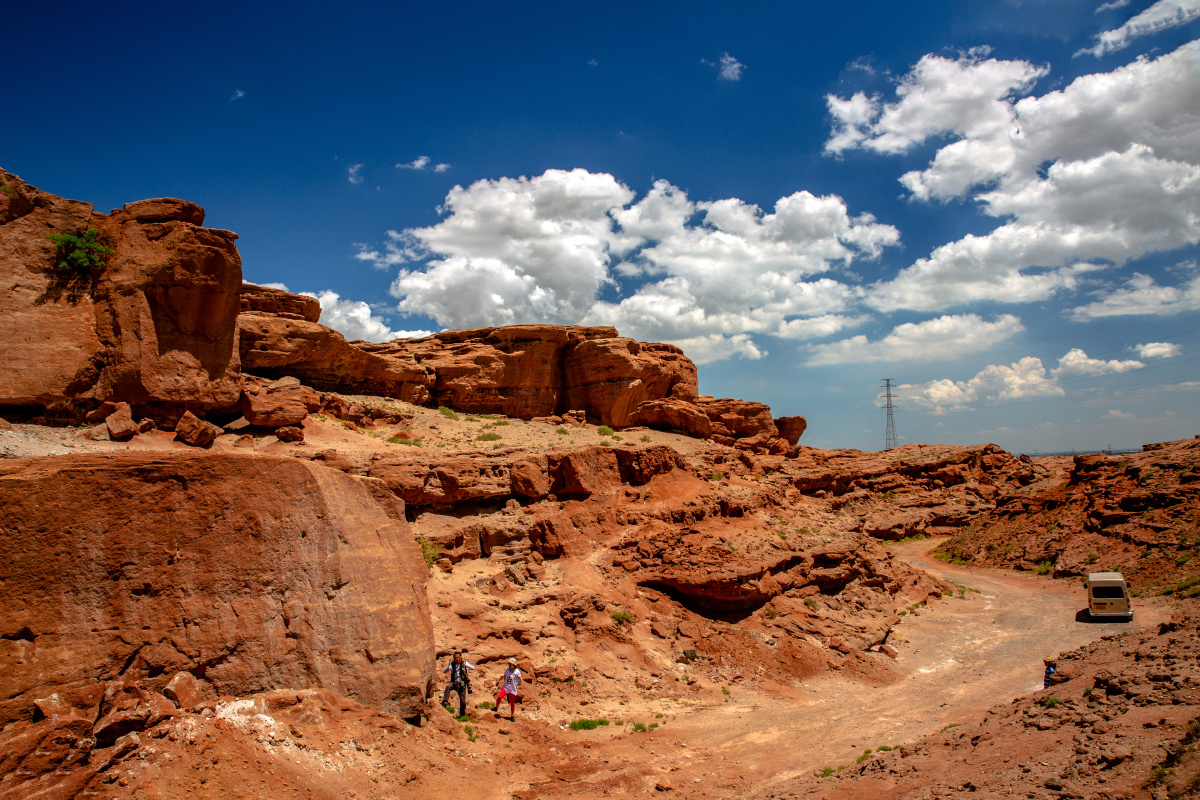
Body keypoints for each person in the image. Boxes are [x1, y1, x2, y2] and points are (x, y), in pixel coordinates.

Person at [441, 651, 474, 717]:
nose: (457, 659)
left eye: (458, 658)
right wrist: (449, 664)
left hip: (462, 685)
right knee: (448, 686)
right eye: (455, 658)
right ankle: (445, 702)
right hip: (454, 683)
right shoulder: (452, 665)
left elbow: (473, 667)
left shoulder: (464, 664)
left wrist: (464, 663)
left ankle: (462, 714)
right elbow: (444, 671)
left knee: (463, 702)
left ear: (460, 657)